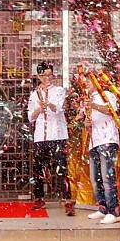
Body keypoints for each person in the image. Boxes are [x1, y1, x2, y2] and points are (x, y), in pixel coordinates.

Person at [27, 62, 75, 216]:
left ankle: (67, 200)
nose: (47, 78)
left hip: (57, 135)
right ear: (38, 76)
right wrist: (39, 109)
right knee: (38, 170)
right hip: (40, 136)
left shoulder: (59, 91)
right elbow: (30, 117)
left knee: (61, 169)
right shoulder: (34, 94)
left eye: (49, 75)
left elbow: (59, 108)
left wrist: (48, 104)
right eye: (44, 75)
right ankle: (39, 198)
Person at [83, 75, 120, 224]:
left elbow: (111, 110)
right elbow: (89, 122)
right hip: (94, 141)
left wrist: (93, 105)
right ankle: (102, 207)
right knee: (95, 178)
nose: (86, 84)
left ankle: (114, 211)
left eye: (88, 81)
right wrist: (87, 123)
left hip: (107, 140)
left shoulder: (106, 95)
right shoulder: (88, 99)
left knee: (107, 177)